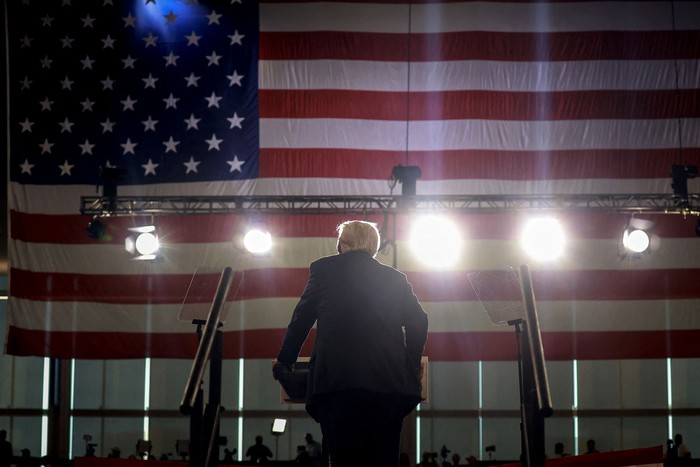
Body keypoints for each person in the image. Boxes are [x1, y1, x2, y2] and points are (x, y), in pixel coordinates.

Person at [274, 220, 429, 467]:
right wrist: (408, 365)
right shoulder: (394, 278)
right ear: (373, 248)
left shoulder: (324, 270)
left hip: (337, 386)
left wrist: (285, 360)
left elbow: (302, 318)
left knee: (343, 460)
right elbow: (419, 322)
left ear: (344, 245)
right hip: (388, 388)